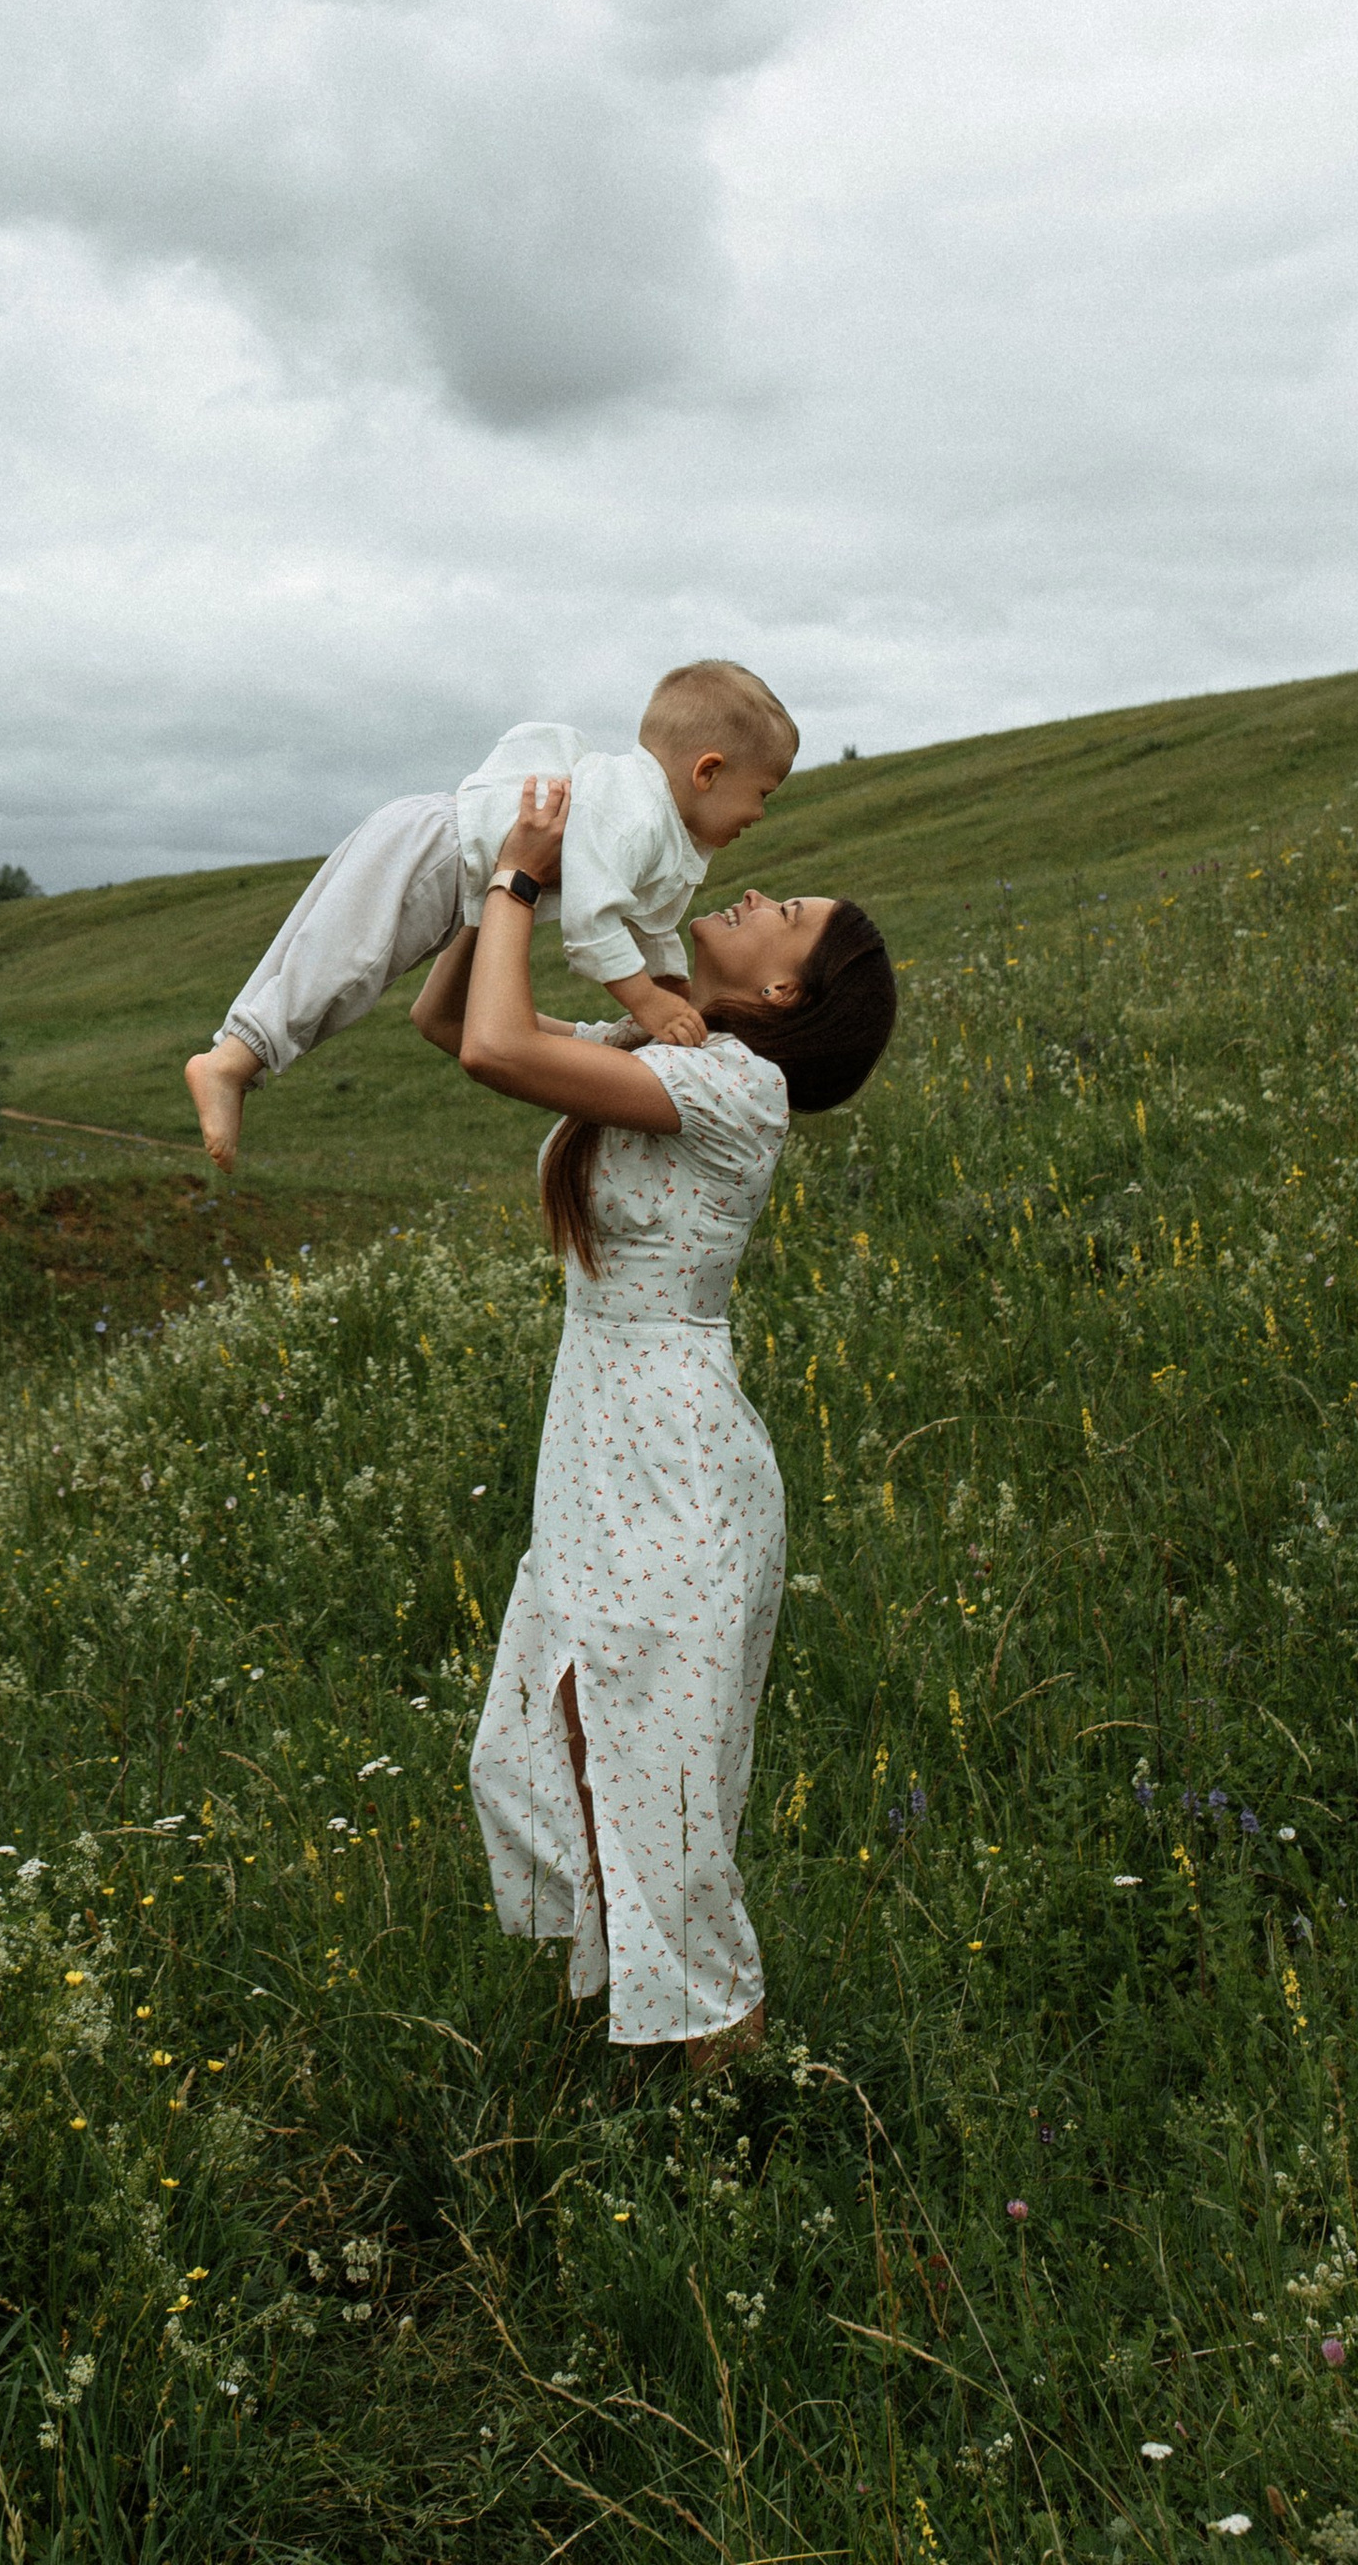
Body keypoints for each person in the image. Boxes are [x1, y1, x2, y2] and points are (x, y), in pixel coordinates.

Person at [414, 774, 896, 2067]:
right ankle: (662, 2069)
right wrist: (497, 882)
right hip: (600, 1452)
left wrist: (525, 880)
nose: (747, 894)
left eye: (778, 911)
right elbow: (447, 1015)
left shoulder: (741, 1092)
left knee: (663, 1809)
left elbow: (497, 1052)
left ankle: (740, 2117)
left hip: (676, 1474)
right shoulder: (661, 1045)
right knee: (564, 1756)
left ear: (786, 991)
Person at [184, 660, 797, 1169]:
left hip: (450, 869)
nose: (761, 814)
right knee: (344, 965)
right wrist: (646, 1000)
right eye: (763, 793)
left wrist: (671, 988)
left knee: (316, 953)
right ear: (708, 772)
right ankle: (231, 1063)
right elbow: (593, 924)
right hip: (438, 851)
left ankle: (228, 1055)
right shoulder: (633, 815)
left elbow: (653, 923)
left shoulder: (666, 834)